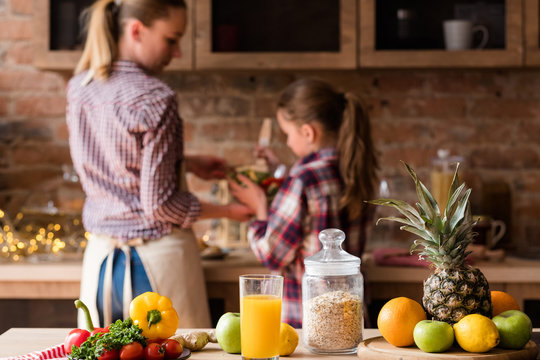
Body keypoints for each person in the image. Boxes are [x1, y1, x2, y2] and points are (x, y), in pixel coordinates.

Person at [66, 0, 252, 328]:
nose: (177, 51)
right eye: (171, 39)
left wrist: (185, 163)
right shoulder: (155, 97)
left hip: (99, 263)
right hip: (156, 266)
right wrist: (229, 211)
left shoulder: (81, 88)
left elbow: (118, 161)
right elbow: (160, 206)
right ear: (136, 30)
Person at [229, 78, 379, 328]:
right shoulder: (357, 170)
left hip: (305, 323)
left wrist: (259, 209)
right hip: (349, 319)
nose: (287, 142)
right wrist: (281, 170)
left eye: (287, 133)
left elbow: (272, 254)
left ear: (308, 132)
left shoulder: (302, 179)